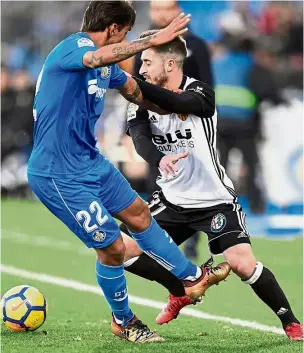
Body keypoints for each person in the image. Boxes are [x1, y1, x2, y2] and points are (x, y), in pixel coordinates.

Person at [26, 1, 228, 343]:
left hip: (90, 162)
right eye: (127, 33)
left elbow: (137, 94)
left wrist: (183, 105)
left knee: (138, 213)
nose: (128, 40)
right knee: (112, 248)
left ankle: (192, 277)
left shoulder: (108, 69)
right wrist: (152, 41)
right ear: (114, 29)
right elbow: (96, 58)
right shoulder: (74, 48)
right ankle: (124, 321)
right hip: (56, 173)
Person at [119, 30, 303, 341]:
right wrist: (158, 159)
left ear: (172, 64)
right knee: (119, 250)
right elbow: (139, 138)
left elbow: (173, 101)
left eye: (147, 61)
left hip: (214, 200)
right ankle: (179, 289)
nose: (142, 69)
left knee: (241, 263)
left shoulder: (202, 93)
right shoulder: (139, 102)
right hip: (172, 200)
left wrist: (138, 89)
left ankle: (291, 323)